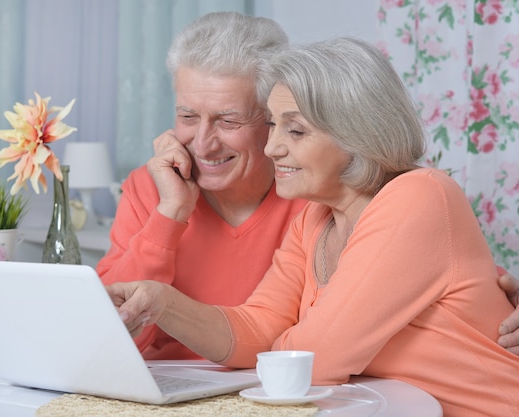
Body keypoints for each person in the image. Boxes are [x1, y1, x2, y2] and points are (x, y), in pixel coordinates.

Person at [107, 38, 519, 416]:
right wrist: (162, 302)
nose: (272, 148)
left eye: (296, 130)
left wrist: (278, 345)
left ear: (359, 134)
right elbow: (257, 327)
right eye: (272, 124)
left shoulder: (420, 196)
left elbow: (316, 358)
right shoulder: (314, 217)